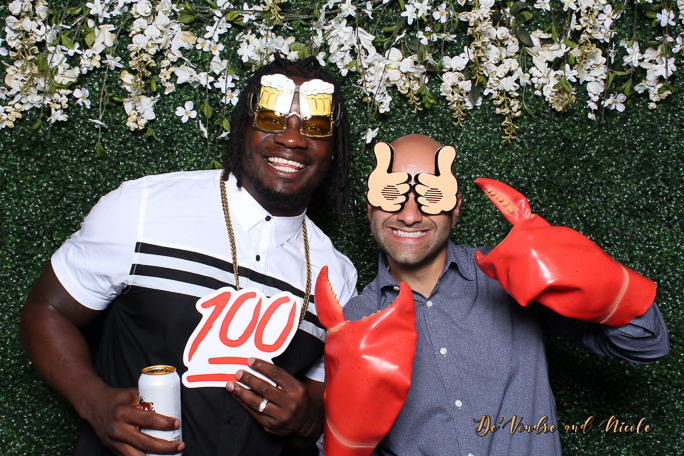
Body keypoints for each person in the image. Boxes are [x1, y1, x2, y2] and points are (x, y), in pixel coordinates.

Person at [19, 56, 358, 456]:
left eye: (315, 128)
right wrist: (93, 401)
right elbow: (46, 311)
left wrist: (308, 419)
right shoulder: (143, 208)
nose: (291, 139)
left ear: (334, 149)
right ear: (242, 128)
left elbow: (322, 403)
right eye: (271, 119)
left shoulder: (336, 276)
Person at [331, 133, 669, 456]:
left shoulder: (510, 278)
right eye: (392, 194)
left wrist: (597, 279)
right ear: (370, 206)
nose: (409, 215)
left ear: (456, 208)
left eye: (432, 197)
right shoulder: (354, 321)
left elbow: (646, 342)